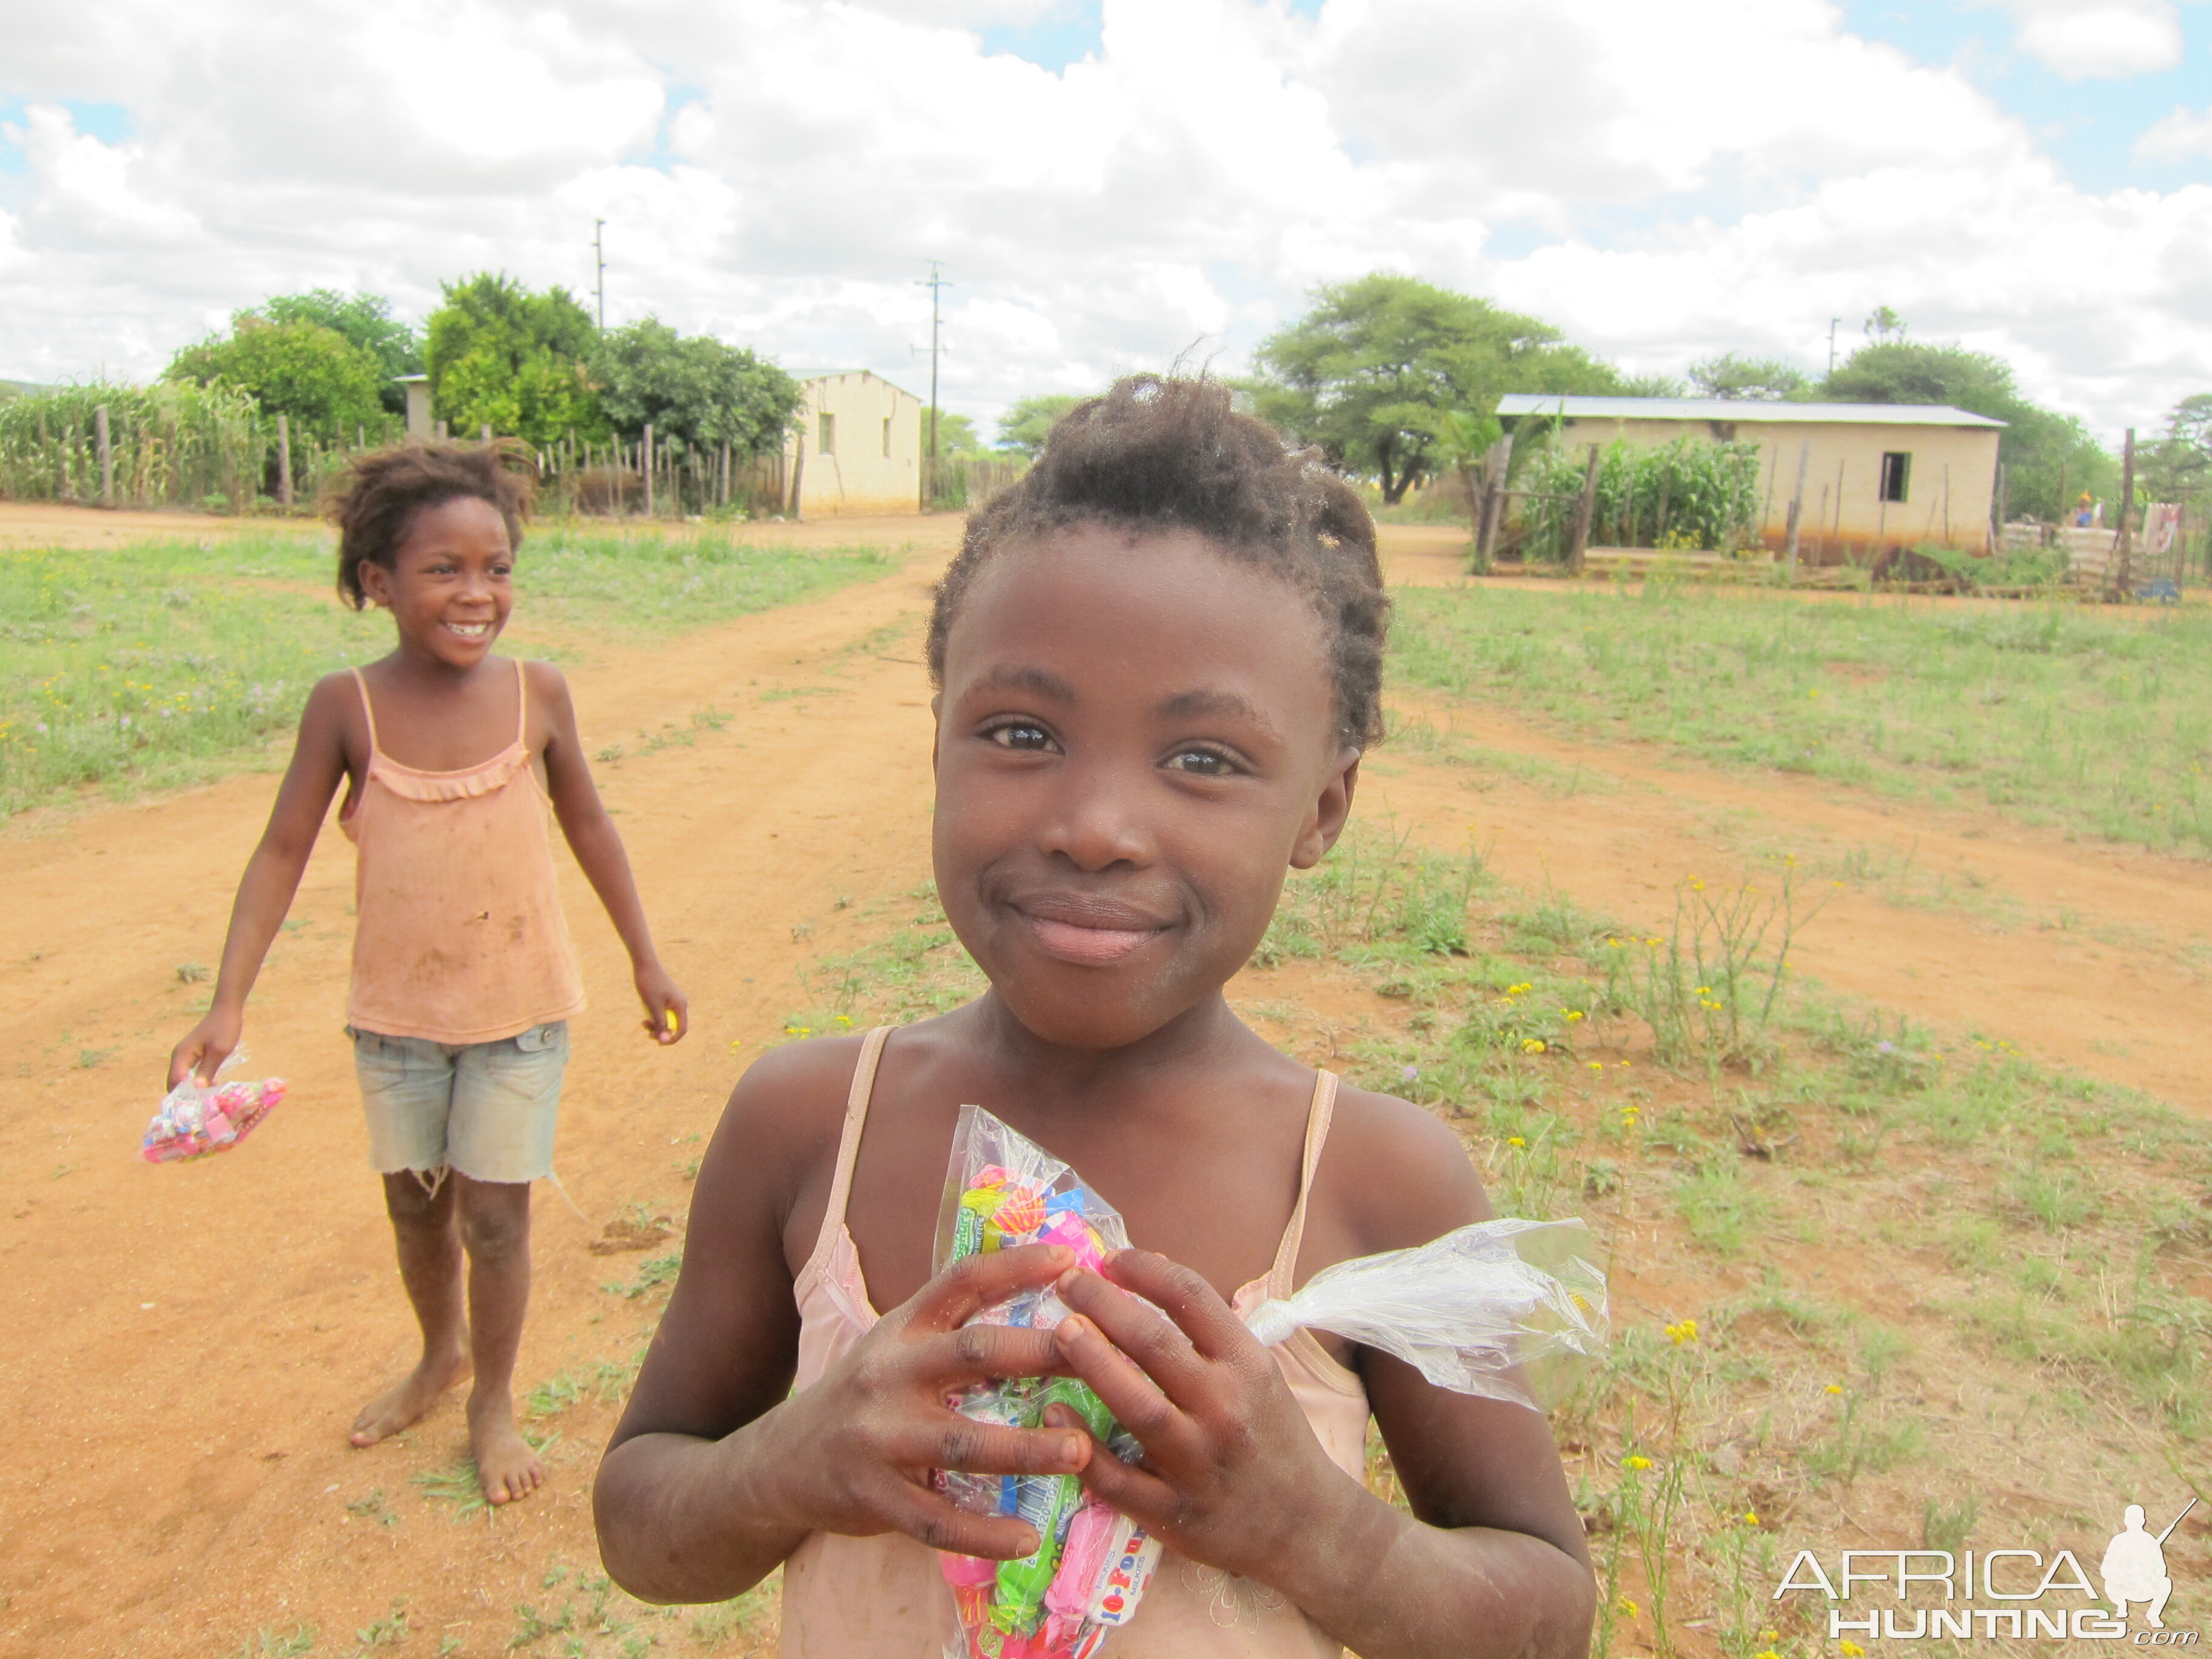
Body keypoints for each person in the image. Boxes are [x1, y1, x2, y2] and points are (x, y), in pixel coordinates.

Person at [592, 378, 1594, 1658]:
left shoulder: (1370, 1180)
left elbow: (1548, 1611)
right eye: (1021, 732)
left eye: (1204, 761)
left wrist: (1320, 1535)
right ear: (938, 747)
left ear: (1323, 812)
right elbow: (641, 1522)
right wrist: (788, 1463)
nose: (1096, 826)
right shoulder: (807, 1124)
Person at [168, 442, 688, 1506]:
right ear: (377, 581)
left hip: (518, 1011)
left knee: (496, 1217)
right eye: (444, 568)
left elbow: (588, 821)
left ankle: (491, 1398)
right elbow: (281, 851)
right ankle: (438, 1352)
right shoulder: (345, 706)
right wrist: (228, 1002)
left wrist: (645, 955)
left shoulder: (536, 696)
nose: (476, 593)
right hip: (398, 1017)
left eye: (496, 567)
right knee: (414, 1208)